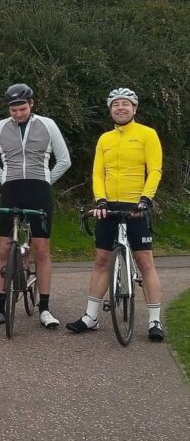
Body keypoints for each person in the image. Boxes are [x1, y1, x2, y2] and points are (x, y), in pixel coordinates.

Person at [66, 88, 165, 342]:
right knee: (101, 260)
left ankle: (155, 321)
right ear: (110, 110)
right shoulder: (105, 139)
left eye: (126, 104)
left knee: (144, 260)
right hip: (108, 205)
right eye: (116, 105)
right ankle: (91, 317)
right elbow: (98, 173)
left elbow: (154, 169)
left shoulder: (147, 134)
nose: (121, 108)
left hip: (136, 203)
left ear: (134, 109)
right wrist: (100, 200)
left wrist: (145, 199)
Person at [0, 83, 71, 329]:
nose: (18, 113)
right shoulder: (0, 127)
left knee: (41, 249)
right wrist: (6, 179)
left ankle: (45, 308)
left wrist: (46, 180)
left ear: (31, 104)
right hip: (11, 190)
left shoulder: (47, 125)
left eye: (22, 108)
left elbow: (64, 160)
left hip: (39, 190)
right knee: (5, 248)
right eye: (13, 110)